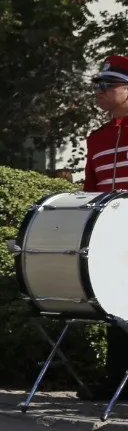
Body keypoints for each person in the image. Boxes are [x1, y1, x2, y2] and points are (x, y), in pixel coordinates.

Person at [83, 54, 128, 400]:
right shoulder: (97, 138)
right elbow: (91, 189)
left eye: (107, 86)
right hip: (111, 234)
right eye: (98, 85)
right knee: (115, 308)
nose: (99, 92)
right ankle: (116, 381)